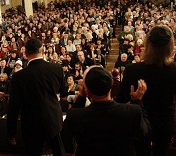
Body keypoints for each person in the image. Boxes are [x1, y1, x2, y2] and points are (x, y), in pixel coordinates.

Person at [116, 25, 176, 156]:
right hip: (165, 123)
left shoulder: (133, 70)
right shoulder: (174, 70)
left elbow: (121, 99)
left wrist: (135, 98)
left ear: (147, 44)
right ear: (170, 45)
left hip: (139, 122)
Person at [66, 66, 151, 156]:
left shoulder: (75, 115)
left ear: (86, 90)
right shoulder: (132, 111)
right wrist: (137, 100)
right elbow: (146, 133)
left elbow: (73, 114)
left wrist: (81, 96)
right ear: (111, 83)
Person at [7, 38, 66, 156]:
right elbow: (63, 92)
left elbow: (13, 107)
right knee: (58, 150)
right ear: (43, 51)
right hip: (53, 119)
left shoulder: (18, 76)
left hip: (31, 122)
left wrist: (11, 132)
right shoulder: (56, 68)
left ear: (25, 54)